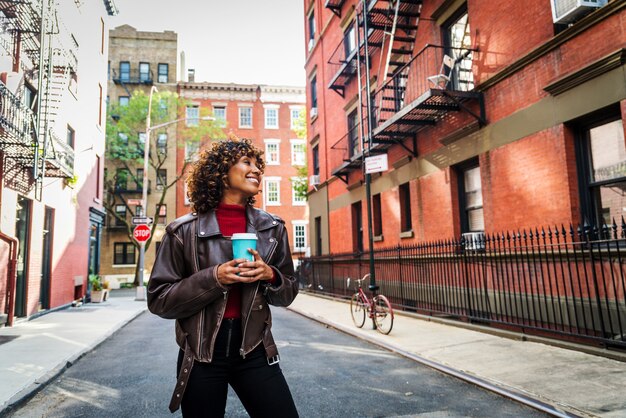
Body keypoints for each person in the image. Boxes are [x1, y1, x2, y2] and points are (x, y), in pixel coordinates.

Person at [147, 136, 299, 417]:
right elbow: (159, 299)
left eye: (258, 164)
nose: (256, 169)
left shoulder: (272, 228)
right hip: (202, 355)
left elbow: (288, 291)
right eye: (246, 162)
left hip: (254, 349)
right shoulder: (182, 232)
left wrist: (270, 275)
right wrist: (215, 278)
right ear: (221, 172)